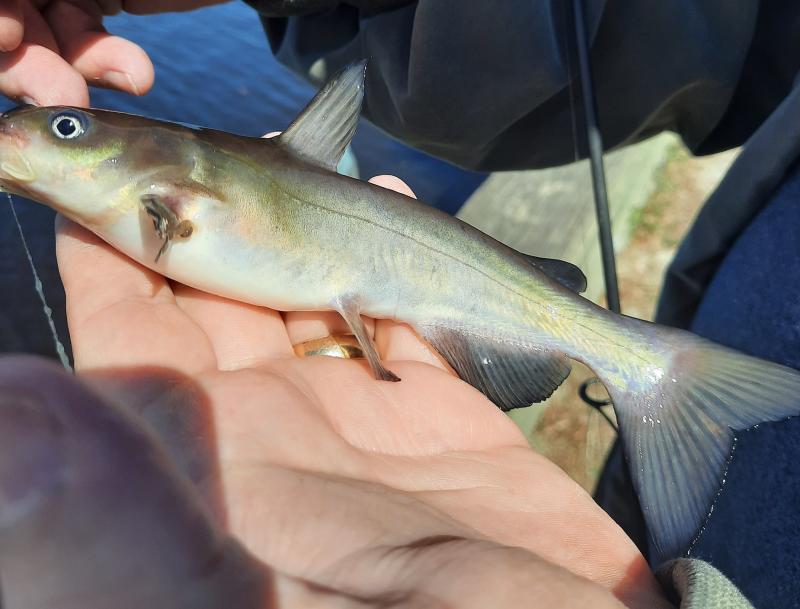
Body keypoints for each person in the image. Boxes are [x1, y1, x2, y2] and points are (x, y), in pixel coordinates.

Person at [0, 0, 792, 607]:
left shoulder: (173, 194)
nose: (40, 134)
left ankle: (651, 378)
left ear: (170, 180)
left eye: (66, 127)